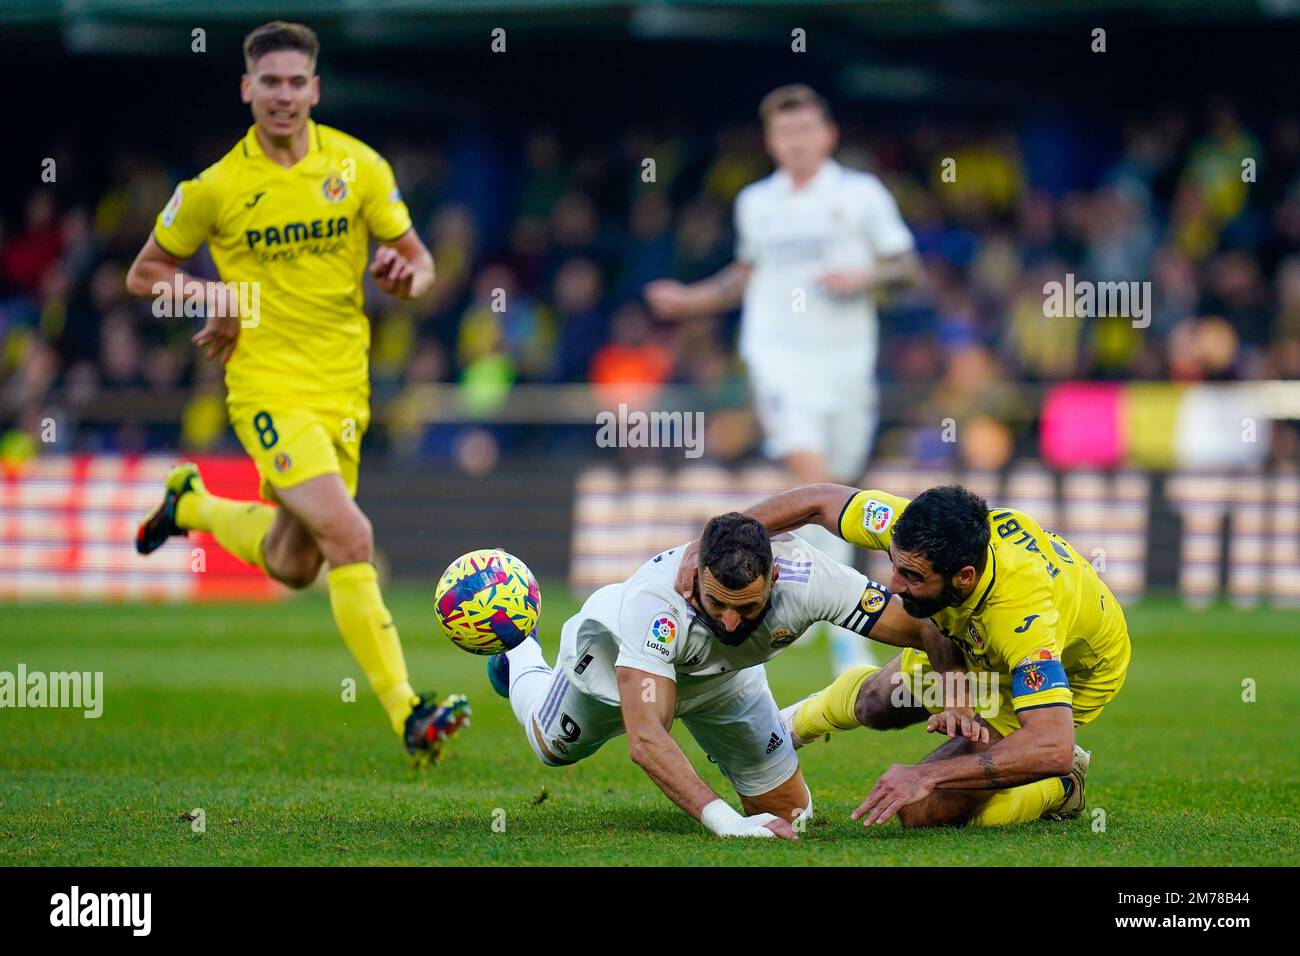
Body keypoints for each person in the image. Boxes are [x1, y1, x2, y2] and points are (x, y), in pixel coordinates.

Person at [126, 20, 467, 764]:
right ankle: (410, 711)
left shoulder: (359, 166)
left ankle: (192, 505)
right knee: (351, 538)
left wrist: (413, 278)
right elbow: (145, 272)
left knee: (295, 562)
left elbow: (422, 261)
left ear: (315, 89)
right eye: (269, 82)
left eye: (295, 82)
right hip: (266, 385)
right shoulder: (214, 188)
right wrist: (203, 297)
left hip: (345, 386)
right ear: (247, 89)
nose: (283, 96)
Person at [645, 84, 921, 675]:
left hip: (846, 364)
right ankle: (852, 634)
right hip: (777, 359)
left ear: (827, 135)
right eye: (784, 133)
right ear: (771, 140)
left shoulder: (861, 195)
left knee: (839, 496)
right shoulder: (756, 203)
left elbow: (906, 266)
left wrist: (865, 275)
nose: (796, 142)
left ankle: (823, 606)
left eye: (805, 131)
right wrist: (690, 300)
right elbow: (746, 276)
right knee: (816, 484)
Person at [675, 484, 1132, 827]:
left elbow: (1049, 742)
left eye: (911, 575)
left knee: (921, 810)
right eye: (893, 565)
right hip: (970, 637)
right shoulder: (916, 531)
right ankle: (789, 727)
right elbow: (817, 500)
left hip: (1070, 673)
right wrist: (708, 545)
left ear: (964, 578)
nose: (893, 585)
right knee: (878, 703)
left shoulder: (1022, 619)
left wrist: (926, 776)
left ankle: (1063, 786)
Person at [487, 511, 958, 839]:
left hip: (727, 679)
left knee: (791, 817)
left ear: (774, 580)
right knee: (552, 747)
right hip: (616, 665)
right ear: (694, 577)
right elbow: (646, 737)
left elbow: (922, 624)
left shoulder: (810, 579)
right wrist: (727, 823)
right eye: (717, 605)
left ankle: (772, 732)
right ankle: (520, 655)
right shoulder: (657, 606)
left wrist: (960, 692)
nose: (731, 622)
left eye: (747, 607)